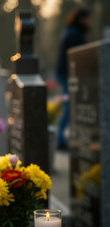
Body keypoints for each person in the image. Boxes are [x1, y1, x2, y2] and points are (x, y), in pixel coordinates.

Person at [55, 6, 91, 150]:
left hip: (66, 73)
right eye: (88, 19)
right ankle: (60, 140)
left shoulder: (70, 31)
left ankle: (61, 138)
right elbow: (81, 55)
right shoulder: (74, 34)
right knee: (68, 107)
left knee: (69, 106)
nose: (90, 22)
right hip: (68, 74)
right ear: (82, 19)